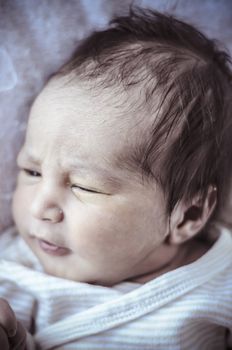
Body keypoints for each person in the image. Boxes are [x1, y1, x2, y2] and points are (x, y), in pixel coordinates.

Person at [0, 6, 232, 350]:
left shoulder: (221, 283)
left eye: (83, 186)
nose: (40, 207)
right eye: (32, 171)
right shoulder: (15, 269)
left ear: (188, 215)